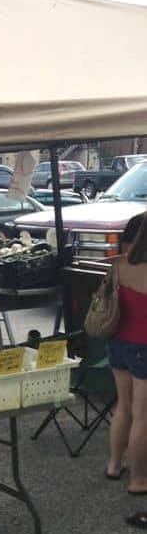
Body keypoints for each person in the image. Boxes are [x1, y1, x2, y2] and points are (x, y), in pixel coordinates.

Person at [106, 212, 147, 498]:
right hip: (144, 348)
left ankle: (114, 464)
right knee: (142, 417)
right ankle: (139, 480)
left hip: (117, 344)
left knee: (123, 407)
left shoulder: (118, 265)